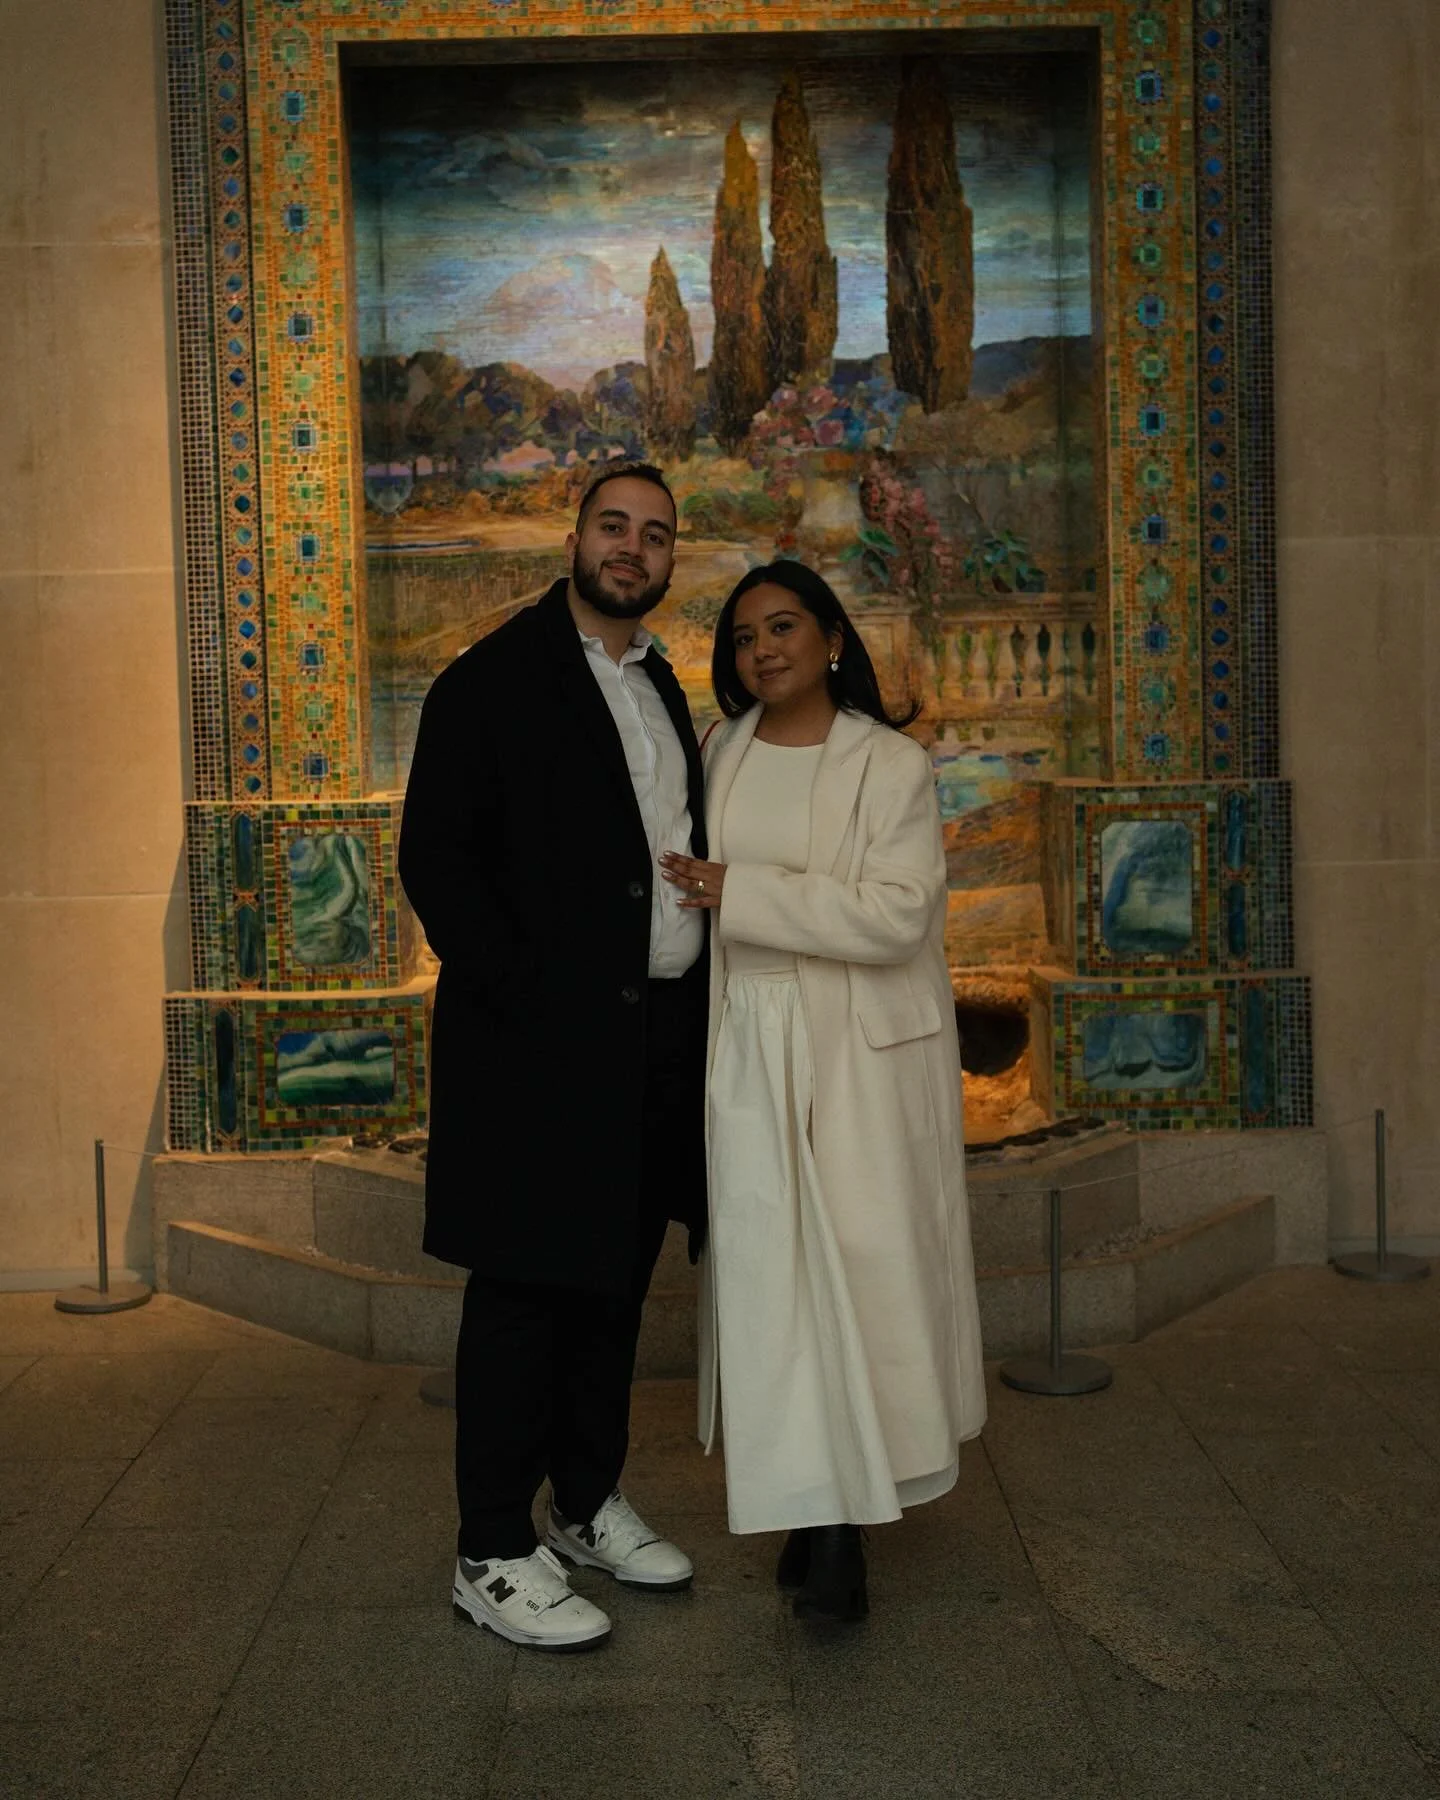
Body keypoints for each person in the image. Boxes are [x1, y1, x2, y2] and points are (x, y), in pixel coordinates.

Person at [399, 463, 708, 1653]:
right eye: (614, 526)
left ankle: (580, 1505)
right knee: (526, 1293)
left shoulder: (665, 686)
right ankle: (489, 1548)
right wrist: (525, 998)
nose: (632, 549)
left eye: (655, 536)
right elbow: (439, 860)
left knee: (614, 1288)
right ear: (573, 536)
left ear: (671, 560)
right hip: (537, 1049)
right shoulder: (492, 682)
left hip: (653, 1044)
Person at [660, 560, 986, 1624]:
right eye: (746, 635)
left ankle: (845, 1520)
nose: (764, 650)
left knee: (858, 1269)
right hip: (749, 1041)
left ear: (833, 639)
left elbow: (897, 917)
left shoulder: (890, 766)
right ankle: (810, 1498)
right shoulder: (723, 751)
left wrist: (741, 892)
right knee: (770, 1276)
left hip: (856, 1048)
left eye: (784, 627)